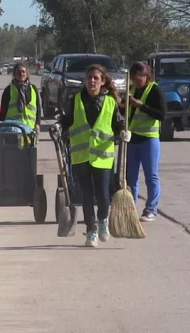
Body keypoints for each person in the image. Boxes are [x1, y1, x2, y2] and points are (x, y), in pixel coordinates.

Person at [57, 64, 129, 247]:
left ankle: (103, 220)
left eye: (95, 78)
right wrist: (58, 126)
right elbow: (67, 120)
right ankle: (91, 230)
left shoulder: (110, 102)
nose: (91, 81)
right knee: (86, 195)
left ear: (103, 81)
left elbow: (118, 122)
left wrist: (123, 132)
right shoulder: (76, 100)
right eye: (89, 78)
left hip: (103, 156)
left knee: (103, 195)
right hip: (81, 156)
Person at [124, 61, 165, 222]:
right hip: (132, 138)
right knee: (130, 177)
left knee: (151, 176)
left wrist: (142, 106)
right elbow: (123, 111)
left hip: (149, 139)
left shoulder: (155, 90)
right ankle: (131, 207)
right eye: (134, 77)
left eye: (140, 76)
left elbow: (161, 114)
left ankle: (151, 209)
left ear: (146, 76)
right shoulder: (131, 90)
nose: (137, 80)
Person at [0, 63, 41, 133]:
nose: (21, 74)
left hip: (30, 129)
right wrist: (1, 126)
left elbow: (38, 108)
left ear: (27, 74)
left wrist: (38, 123)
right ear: (14, 75)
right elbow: (3, 110)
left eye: (23, 71)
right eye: (18, 72)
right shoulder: (8, 90)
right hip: (13, 130)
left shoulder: (33, 89)